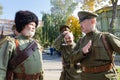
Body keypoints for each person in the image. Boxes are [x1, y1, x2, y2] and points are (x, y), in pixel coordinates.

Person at [71, 11, 120, 80]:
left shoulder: (106, 37)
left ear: (93, 21)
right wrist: (82, 52)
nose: (81, 25)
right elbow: (71, 59)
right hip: (86, 77)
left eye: (83, 22)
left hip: (105, 77)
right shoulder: (81, 41)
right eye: (80, 23)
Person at [0, 10, 44, 80]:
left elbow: (41, 67)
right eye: (31, 24)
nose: (34, 27)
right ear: (23, 25)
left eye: (35, 25)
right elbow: (1, 68)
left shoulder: (36, 44)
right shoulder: (11, 43)